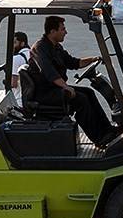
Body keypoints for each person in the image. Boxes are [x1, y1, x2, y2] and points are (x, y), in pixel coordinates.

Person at [31, 16, 117, 147]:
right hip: (45, 93)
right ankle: (99, 138)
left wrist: (94, 59)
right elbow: (49, 73)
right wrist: (66, 87)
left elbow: (74, 62)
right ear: (52, 31)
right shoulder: (40, 48)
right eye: (63, 29)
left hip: (55, 89)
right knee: (81, 100)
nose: (65, 32)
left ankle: (107, 130)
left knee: (89, 92)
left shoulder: (56, 47)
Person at [11, 31, 31, 106]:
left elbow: (14, 83)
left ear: (22, 43)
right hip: (32, 97)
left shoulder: (16, 59)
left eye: (15, 43)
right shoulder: (32, 53)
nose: (12, 46)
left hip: (19, 100)